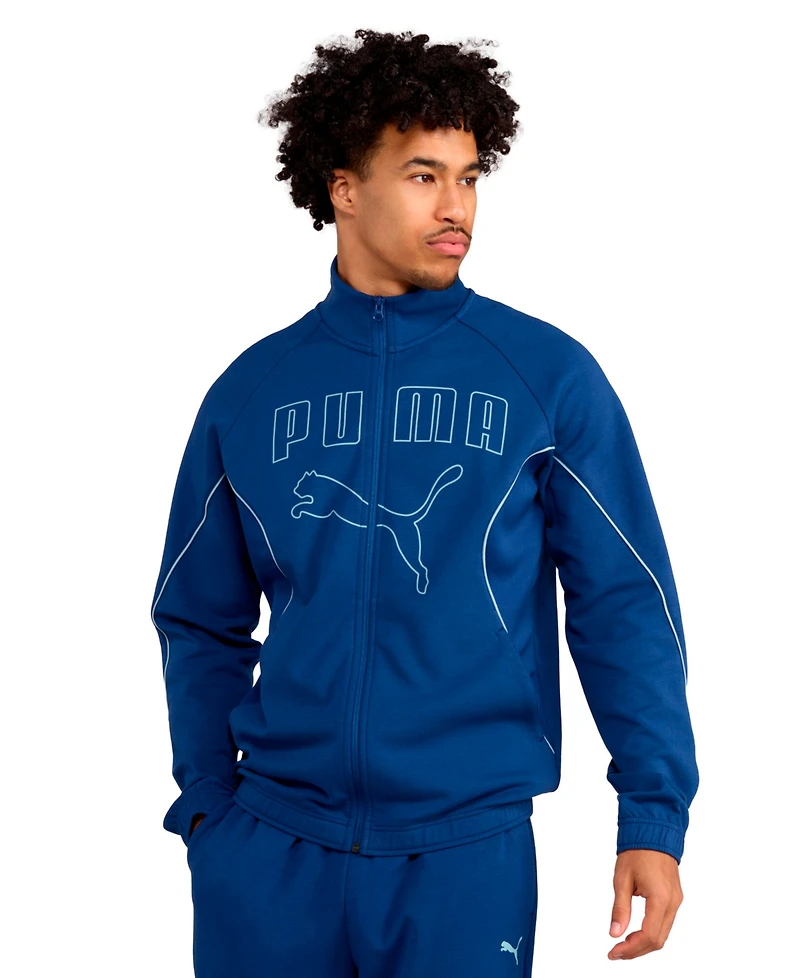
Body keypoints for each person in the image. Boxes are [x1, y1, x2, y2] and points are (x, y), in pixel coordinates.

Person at [151, 28, 699, 977]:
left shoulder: (545, 377)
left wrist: (652, 813)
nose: (457, 207)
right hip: (270, 852)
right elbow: (198, 617)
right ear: (344, 189)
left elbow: (623, 601)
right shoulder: (252, 391)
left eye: (470, 177)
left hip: (463, 854)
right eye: (423, 176)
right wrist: (207, 804)